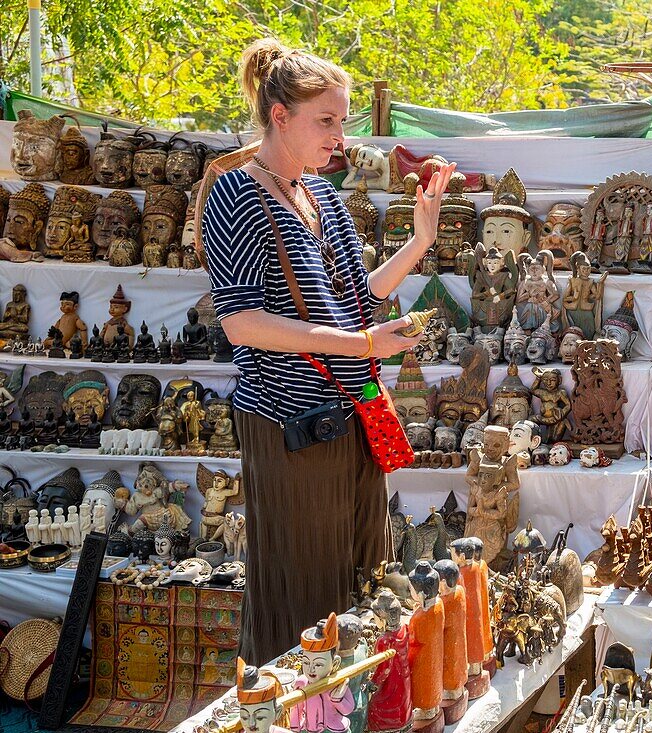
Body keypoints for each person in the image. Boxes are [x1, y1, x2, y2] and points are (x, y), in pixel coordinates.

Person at [200, 37, 455, 663]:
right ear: (278, 115)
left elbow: (356, 298)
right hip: (289, 426)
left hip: (353, 413)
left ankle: (356, 709)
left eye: (343, 120)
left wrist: (419, 242)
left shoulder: (322, 198)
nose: (340, 136)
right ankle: (290, 712)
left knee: (365, 579)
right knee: (305, 598)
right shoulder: (236, 194)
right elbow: (242, 323)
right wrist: (362, 343)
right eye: (327, 120)